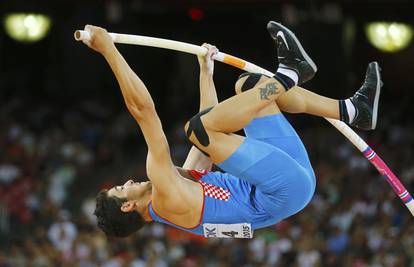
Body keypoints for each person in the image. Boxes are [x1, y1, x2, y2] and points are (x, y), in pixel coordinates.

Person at [83, 21, 382, 238]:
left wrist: (206, 73)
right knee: (196, 128)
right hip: (280, 189)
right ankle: (290, 74)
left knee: (249, 88)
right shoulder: (166, 196)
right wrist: (109, 50)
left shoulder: (177, 192)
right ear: (128, 207)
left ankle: (352, 110)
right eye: (122, 188)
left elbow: (205, 148)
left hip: (288, 181)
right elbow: (143, 112)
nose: (128, 180)